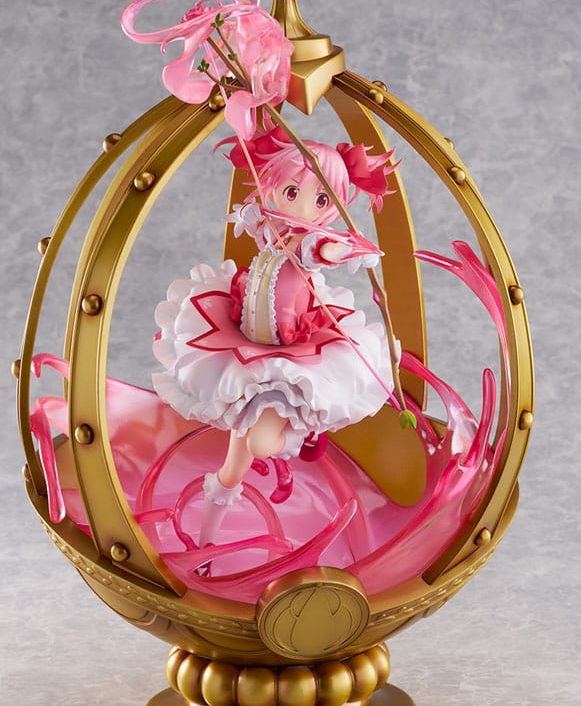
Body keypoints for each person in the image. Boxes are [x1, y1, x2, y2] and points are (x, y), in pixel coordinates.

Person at [150, 126, 397, 545]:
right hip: (243, 346)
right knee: (232, 469)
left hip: (286, 362)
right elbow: (259, 220)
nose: (303, 207)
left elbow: (324, 250)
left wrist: (347, 249)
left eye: (321, 200)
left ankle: (304, 433)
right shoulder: (272, 229)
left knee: (263, 444)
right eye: (291, 191)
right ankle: (206, 544)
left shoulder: (309, 245)